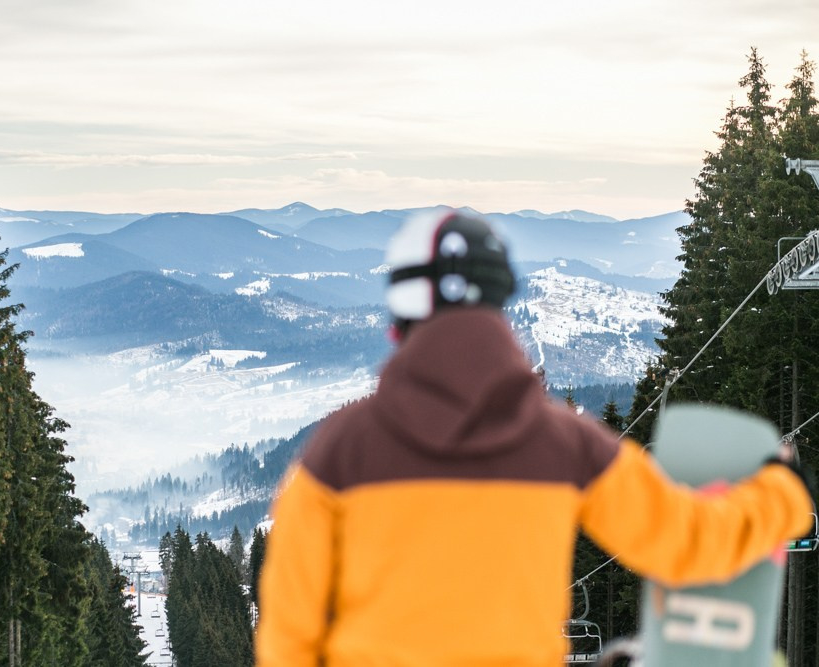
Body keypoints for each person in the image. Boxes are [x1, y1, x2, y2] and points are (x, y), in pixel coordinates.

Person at [254, 207, 815, 667]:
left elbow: (289, 637)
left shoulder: (338, 455)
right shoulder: (565, 446)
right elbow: (685, 543)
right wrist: (782, 497)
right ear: (503, 304)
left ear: (396, 323)